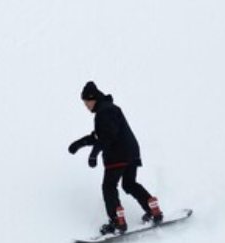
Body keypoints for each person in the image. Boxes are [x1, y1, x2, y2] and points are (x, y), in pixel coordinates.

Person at [68, 81, 163, 235]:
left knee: (109, 186)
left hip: (118, 155)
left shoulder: (104, 112)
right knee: (129, 184)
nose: (86, 106)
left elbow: (108, 136)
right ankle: (152, 207)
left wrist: (94, 154)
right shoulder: (109, 109)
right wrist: (79, 144)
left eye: (86, 103)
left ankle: (117, 221)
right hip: (131, 152)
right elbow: (100, 136)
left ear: (92, 98)